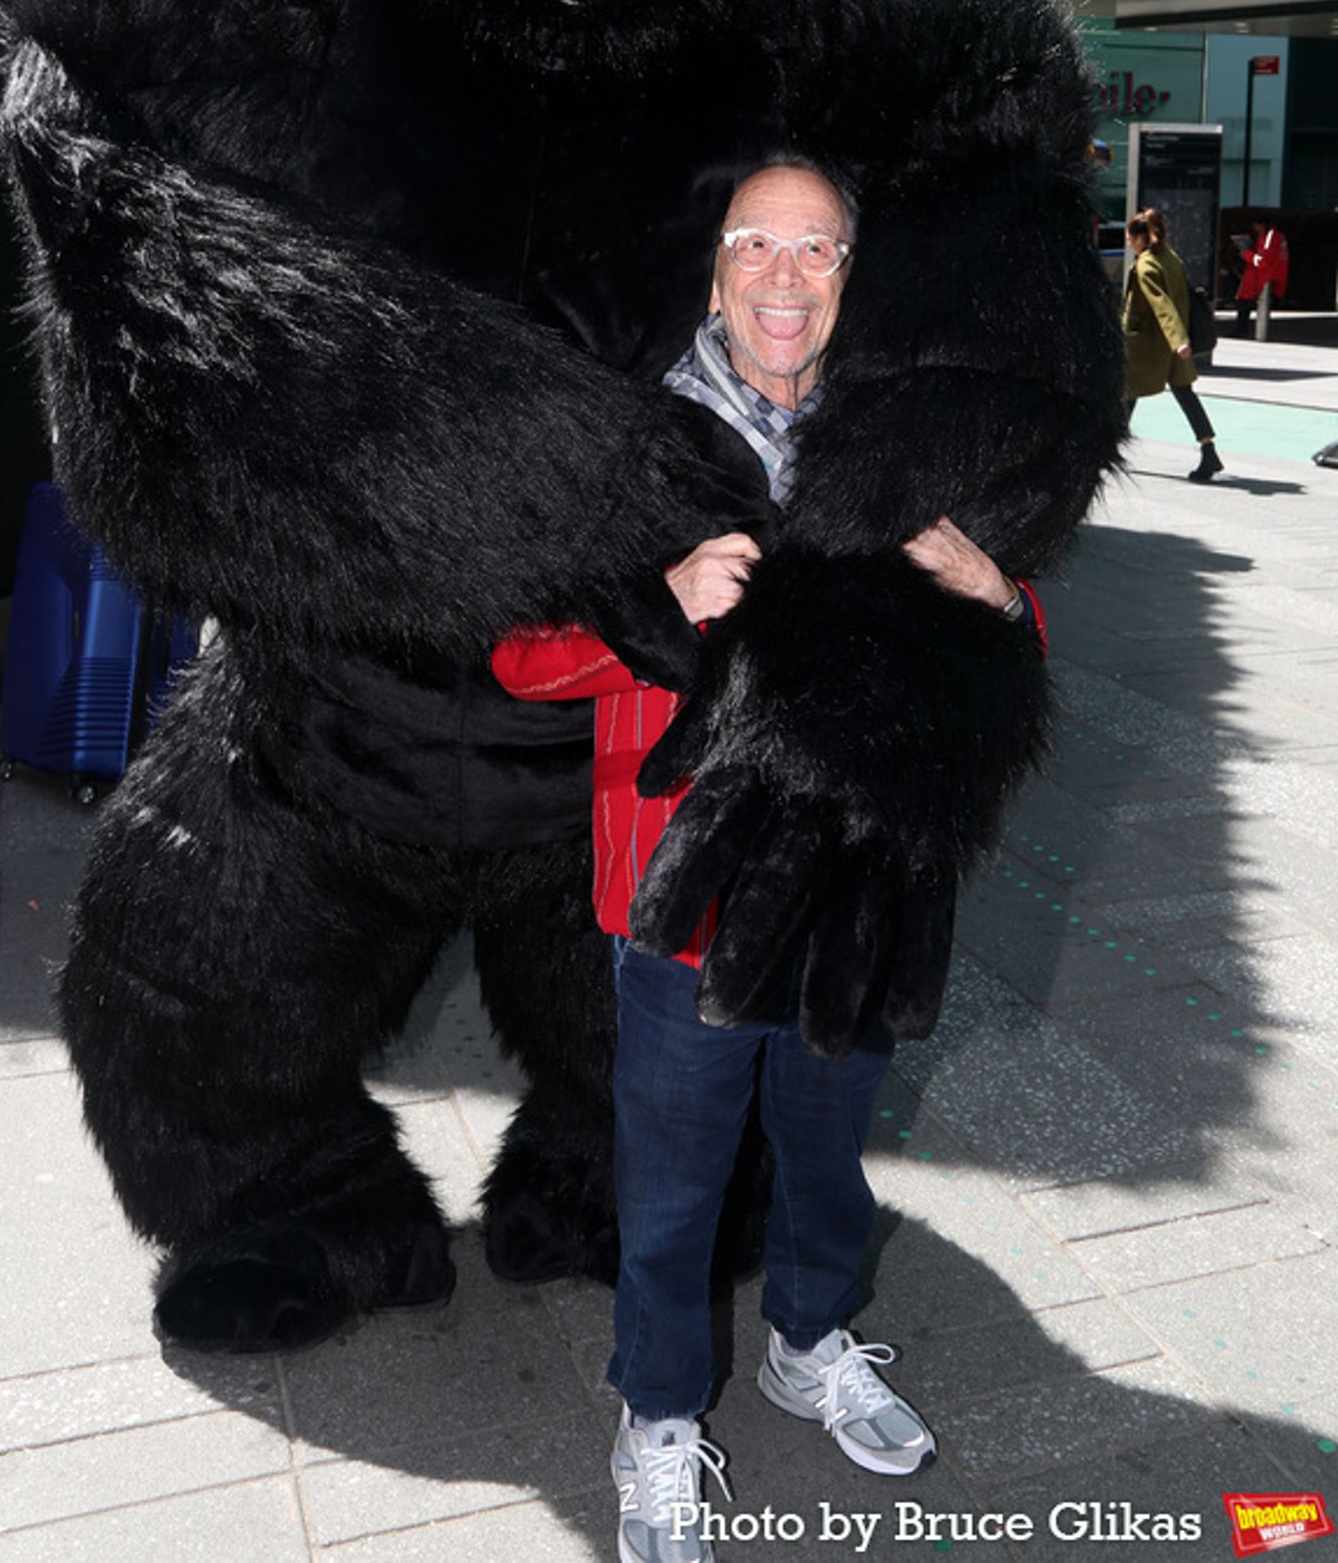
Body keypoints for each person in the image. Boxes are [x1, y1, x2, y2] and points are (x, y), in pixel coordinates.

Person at [494, 161, 1046, 1563]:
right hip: (682, 894)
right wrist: (655, 604)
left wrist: (1002, 601)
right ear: (716, 265)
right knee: (671, 1185)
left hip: (858, 885)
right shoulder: (633, 447)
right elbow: (512, 652)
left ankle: (810, 1339)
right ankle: (659, 1415)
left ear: (852, 274)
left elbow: (997, 644)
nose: (787, 275)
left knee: (825, 1154)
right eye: (759, 242)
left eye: (819, 247)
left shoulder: (905, 441)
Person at [1123, 208, 1223, 483]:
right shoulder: (1171, 258)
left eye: (1130, 238)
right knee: (1185, 395)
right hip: (1175, 344)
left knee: (1127, 392)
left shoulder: (1146, 266)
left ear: (1141, 238)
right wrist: (1180, 341)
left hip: (1150, 344)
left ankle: (1105, 453)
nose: (1129, 244)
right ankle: (1209, 451)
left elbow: (1161, 305)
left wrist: (1178, 340)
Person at [1234, 216, 1289, 334]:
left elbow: (1263, 261)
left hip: (1261, 278)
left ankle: (1243, 331)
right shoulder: (1276, 236)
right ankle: (1244, 330)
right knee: (1245, 303)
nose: (1254, 228)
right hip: (1265, 277)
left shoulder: (1270, 237)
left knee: (1245, 304)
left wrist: (1246, 255)